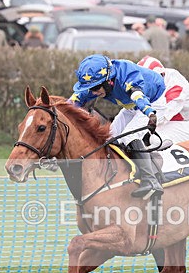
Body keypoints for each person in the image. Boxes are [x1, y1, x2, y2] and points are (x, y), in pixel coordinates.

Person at [69, 54, 167, 198]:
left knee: (130, 136)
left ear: (109, 80)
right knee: (110, 136)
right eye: (91, 89)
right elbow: (71, 102)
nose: (94, 92)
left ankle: (150, 180)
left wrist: (150, 113)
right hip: (131, 106)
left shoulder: (127, 75)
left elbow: (138, 96)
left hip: (151, 103)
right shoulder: (97, 82)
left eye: (96, 88)